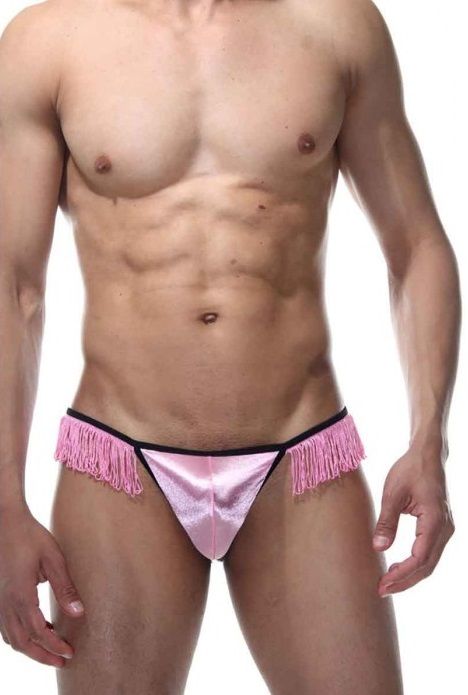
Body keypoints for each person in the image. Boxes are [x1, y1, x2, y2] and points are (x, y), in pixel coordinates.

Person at [0, 0, 459, 693]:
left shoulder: (336, 25)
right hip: (120, 461)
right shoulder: (49, 39)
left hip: (301, 454)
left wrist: (430, 440)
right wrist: (5, 500)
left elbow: (417, 245)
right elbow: (14, 287)